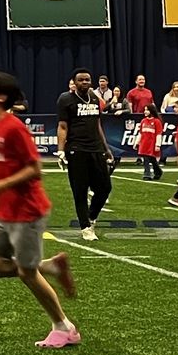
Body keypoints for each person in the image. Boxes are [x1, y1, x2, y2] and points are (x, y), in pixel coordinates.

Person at [0, 71, 79, 349]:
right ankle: (51, 266)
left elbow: (34, 169)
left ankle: (64, 327)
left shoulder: (14, 127)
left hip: (27, 211)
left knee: (26, 274)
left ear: (1, 97)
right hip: (2, 209)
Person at [56, 67, 111, 241]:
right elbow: (62, 126)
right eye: (81, 80)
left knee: (105, 188)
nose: (84, 82)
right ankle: (85, 227)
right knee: (80, 190)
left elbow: (97, 124)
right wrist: (60, 150)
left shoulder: (95, 98)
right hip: (76, 149)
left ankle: (91, 216)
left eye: (87, 79)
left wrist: (106, 147)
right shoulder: (65, 99)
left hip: (96, 148)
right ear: (74, 82)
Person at [135, 106, 165, 180]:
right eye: (145, 110)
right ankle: (147, 174)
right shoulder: (143, 121)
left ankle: (157, 171)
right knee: (146, 159)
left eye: (147, 110)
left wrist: (158, 145)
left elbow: (158, 134)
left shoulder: (156, 121)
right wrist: (137, 142)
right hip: (143, 143)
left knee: (152, 159)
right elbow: (140, 133)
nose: (145, 111)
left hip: (151, 144)